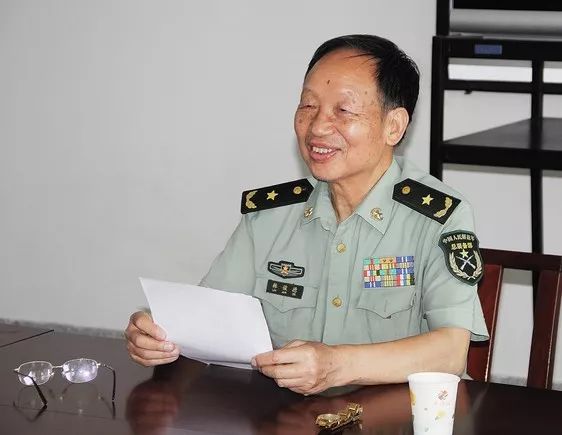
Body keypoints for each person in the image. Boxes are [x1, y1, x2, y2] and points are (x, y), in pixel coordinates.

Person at [125, 34, 488, 395]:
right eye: (308, 106)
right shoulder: (270, 216)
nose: (317, 127)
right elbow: (208, 315)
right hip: (287, 415)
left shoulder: (437, 217)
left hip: (397, 415)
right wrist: (156, 330)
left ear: (393, 126)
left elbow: (450, 352)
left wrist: (336, 366)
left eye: (343, 111)